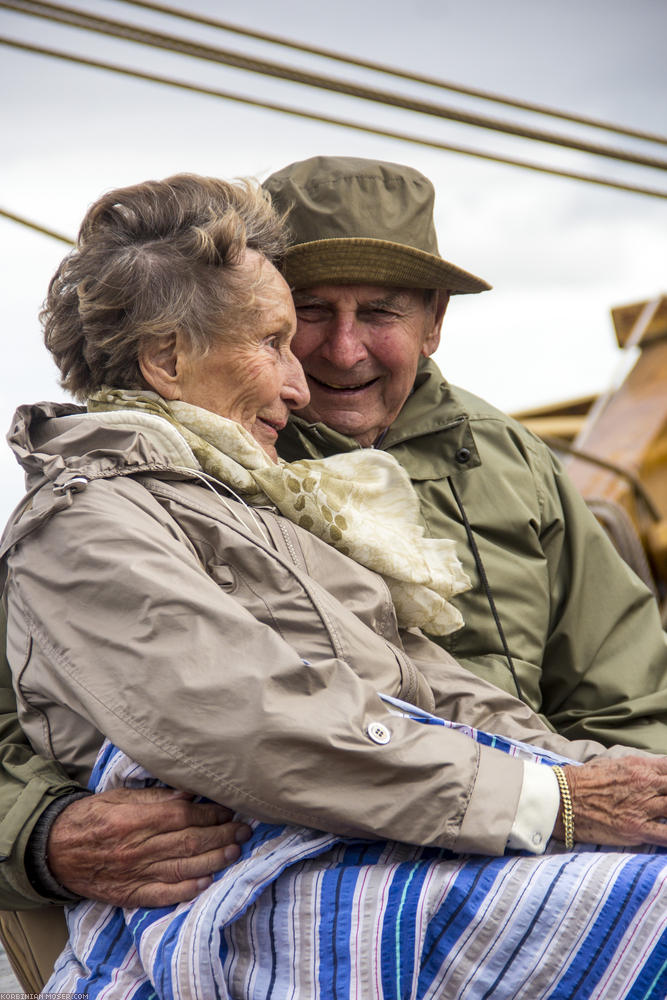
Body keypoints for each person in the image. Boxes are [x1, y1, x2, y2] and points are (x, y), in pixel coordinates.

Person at [2, 172, 667, 998]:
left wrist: (605, 784)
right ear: (168, 357)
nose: (309, 374)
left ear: (433, 324)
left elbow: (435, 690)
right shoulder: (95, 519)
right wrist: (40, 834)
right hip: (286, 881)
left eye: (381, 311)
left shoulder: (263, 501)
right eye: (292, 327)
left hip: (446, 834)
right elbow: (255, 720)